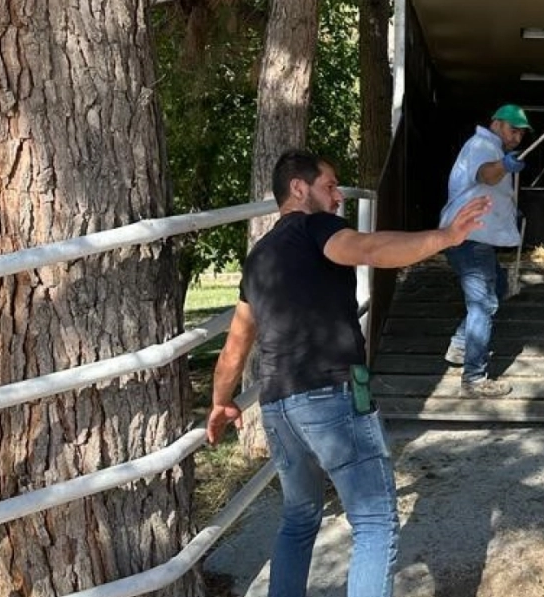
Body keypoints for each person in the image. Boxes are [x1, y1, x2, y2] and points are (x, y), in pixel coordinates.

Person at [206, 149, 491, 597]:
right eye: (330, 186)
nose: (338, 196)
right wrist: (446, 237)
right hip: (331, 395)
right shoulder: (316, 227)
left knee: (298, 520)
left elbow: (235, 345)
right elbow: (372, 248)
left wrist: (222, 401)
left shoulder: (258, 258)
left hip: (278, 407)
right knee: (375, 522)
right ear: (299, 189)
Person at [438, 104, 532, 397]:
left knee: (499, 286)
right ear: (496, 123)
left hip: (475, 237)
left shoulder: (490, 147)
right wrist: (505, 166)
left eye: (521, 134)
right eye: (512, 130)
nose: (517, 137)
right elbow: (485, 176)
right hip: (470, 236)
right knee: (483, 305)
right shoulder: (482, 144)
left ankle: (460, 345)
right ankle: (474, 379)